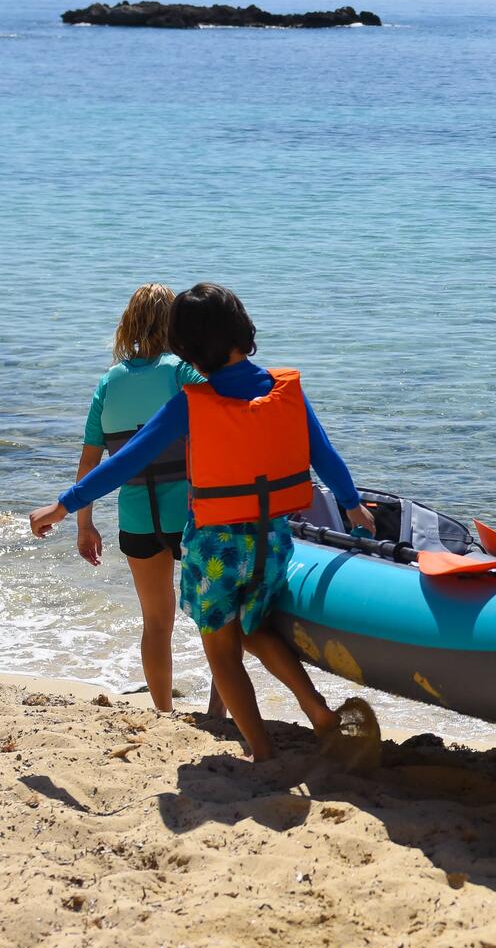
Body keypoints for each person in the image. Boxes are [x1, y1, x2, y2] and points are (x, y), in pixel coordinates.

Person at [31, 284, 376, 762]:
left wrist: (64, 506)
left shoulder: (192, 403)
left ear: (186, 349)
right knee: (255, 630)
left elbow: (124, 462)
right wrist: (352, 503)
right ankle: (317, 711)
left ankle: (262, 751)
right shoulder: (283, 390)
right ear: (244, 330)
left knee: (222, 650)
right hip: (271, 541)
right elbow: (324, 455)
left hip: (216, 549)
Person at [75, 283, 203, 713]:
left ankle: (163, 710)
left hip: (136, 519)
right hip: (189, 515)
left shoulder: (109, 382)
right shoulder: (182, 371)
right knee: (216, 621)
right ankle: (219, 713)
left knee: (155, 622)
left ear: (127, 324)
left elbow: (90, 461)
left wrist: (84, 522)